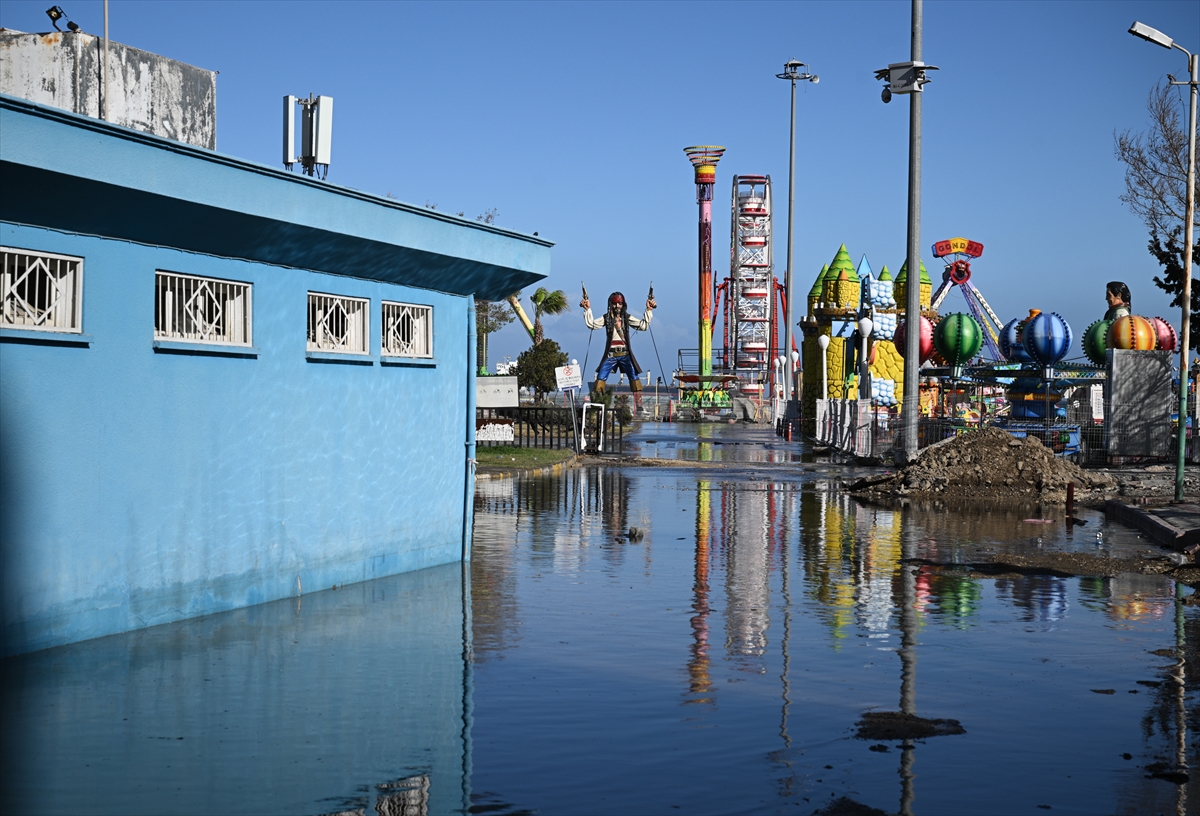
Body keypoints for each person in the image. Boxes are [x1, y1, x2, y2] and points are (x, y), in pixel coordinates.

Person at [581, 291, 655, 404]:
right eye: (615, 303)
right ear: (611, 304)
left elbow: (643, 326)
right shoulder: (606, 318)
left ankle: (639, 405)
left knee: (635, 379)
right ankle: (599, 405)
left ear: (623, 304)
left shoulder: (627, 318)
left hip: (625, 354)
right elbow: (592, 324)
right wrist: (587, 309)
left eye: (620, 303)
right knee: (600, 379)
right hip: (611, 354)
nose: (617, 306)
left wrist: (649, 310)